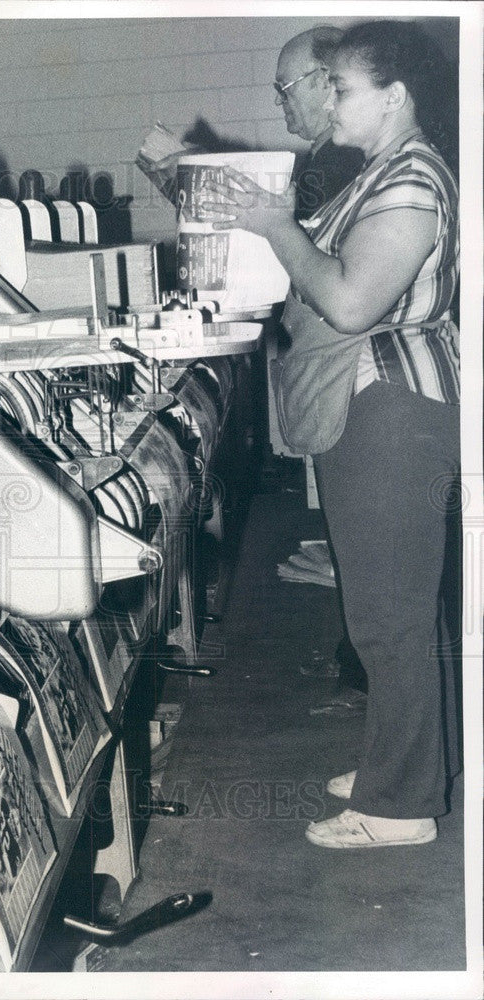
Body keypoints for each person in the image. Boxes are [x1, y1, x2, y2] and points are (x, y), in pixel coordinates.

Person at [208, 20, 460, 848]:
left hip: (394, 405)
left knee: (389, 614)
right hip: (375, 402)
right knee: (387, 609)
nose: (330, 101)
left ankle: (400, 808)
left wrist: (278, 229)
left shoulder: (413, 180)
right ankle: (407, 764)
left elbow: (351, 302)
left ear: (393, 96)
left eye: (342, 88)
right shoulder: (384, 170)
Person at [274, 27, 368, 706]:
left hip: (351, 380)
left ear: (323, 81)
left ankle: (363, 671)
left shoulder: (331, 166)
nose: (281, 103)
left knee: (362, 545)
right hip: (343, 376)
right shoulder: (331, 164)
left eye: (286, 88)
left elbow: (320, 281)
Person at [276, 26, 365, 220]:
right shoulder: (326, 154)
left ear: (326, 79)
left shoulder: (344, 162)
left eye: (284, 87)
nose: (278, 100)